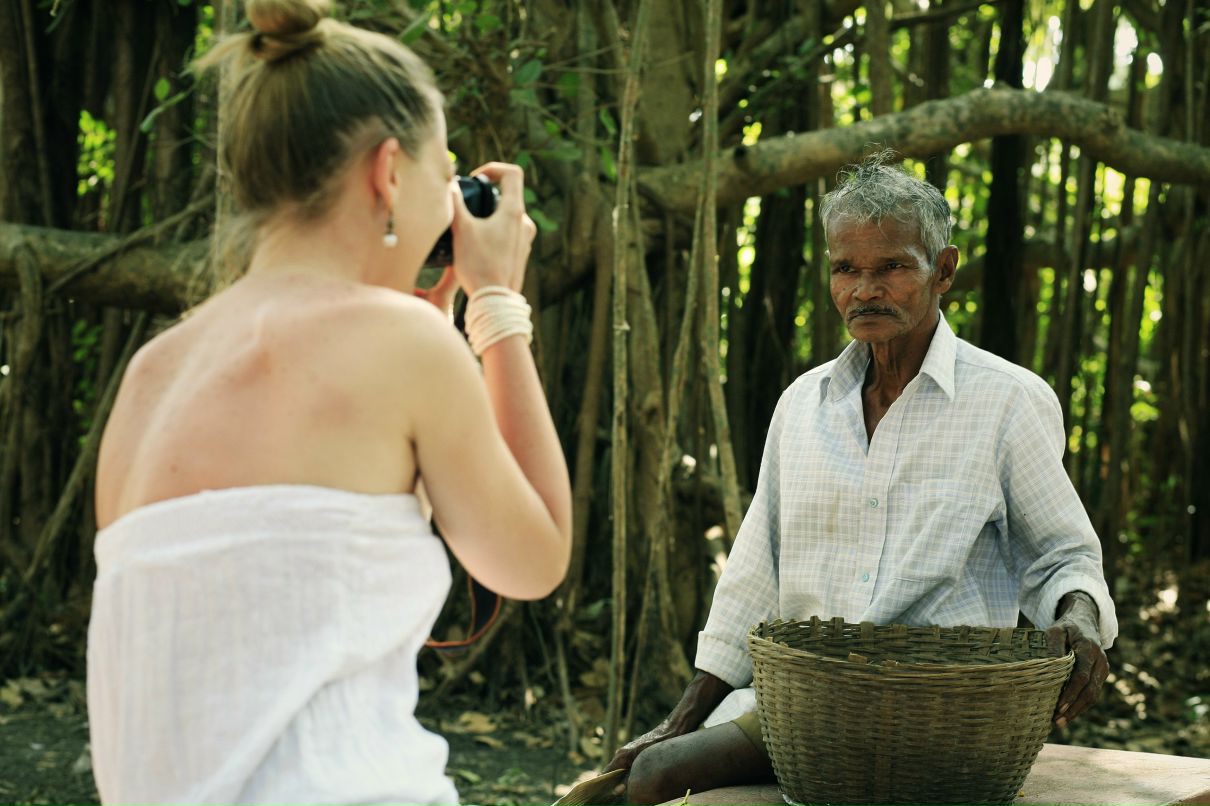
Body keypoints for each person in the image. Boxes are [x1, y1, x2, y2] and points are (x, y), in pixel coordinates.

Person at [86, 1, 571, 803]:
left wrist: (430, 320)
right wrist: (494, 304)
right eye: (436, 175)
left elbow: (265, 619)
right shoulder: (406, 349)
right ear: (387, 173)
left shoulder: (149, 375)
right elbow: (535, 558)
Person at [605, 152, 1118, 805]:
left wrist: (1080, 621)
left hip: (944, 714)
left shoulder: (1008, 402)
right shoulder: (803, 406)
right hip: (810, 710)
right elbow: (753, 579)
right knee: (651, 775)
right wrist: (675, 724)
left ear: (945, 271)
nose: (864, 289)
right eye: (846, 268)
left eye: (892, 267)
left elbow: (1064, 556)